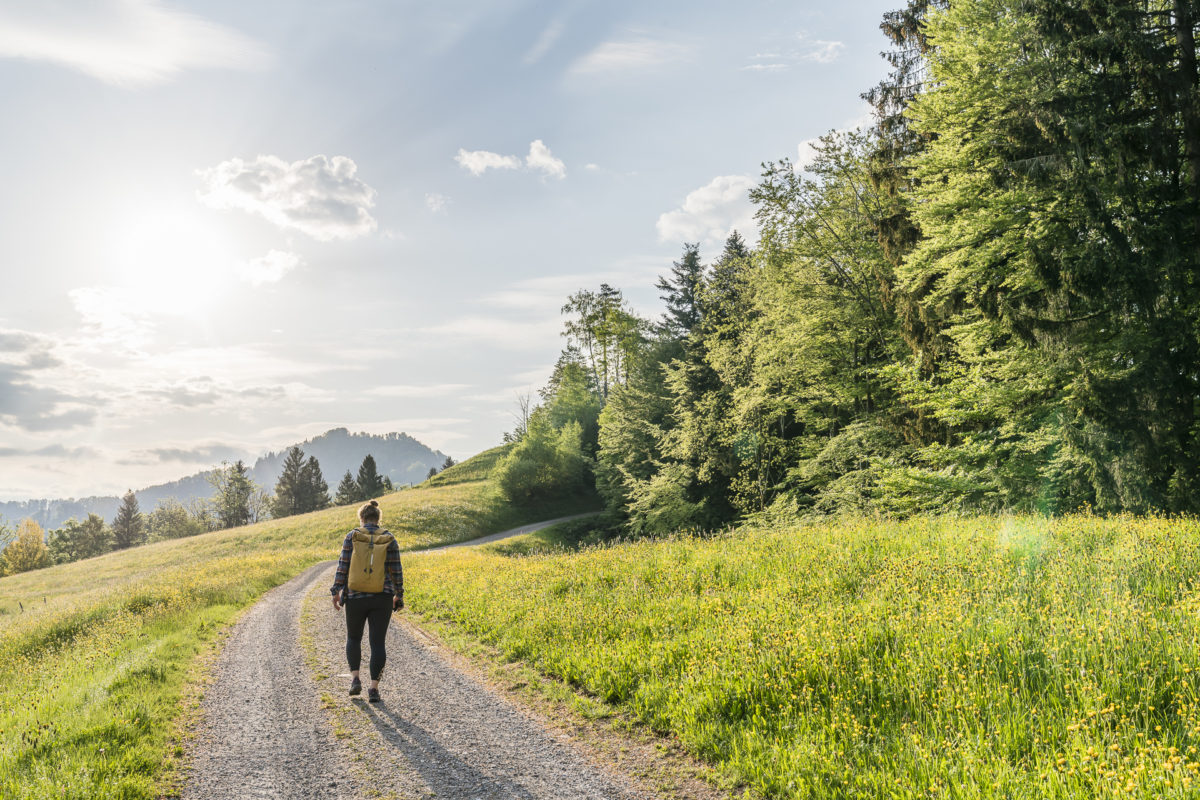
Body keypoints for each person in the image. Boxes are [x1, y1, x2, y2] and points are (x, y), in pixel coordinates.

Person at [331, 499, 403, 702]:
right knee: (377, 643)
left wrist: (336, 590)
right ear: (378, 519)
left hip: (355, 596)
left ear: (361, 518)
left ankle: (355, 679)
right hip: (382, 596)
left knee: (353, 638)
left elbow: (343, 566)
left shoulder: (352, 537)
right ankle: (373, 689)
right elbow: (396, 571)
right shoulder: (389, 538)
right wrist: (399, 594)